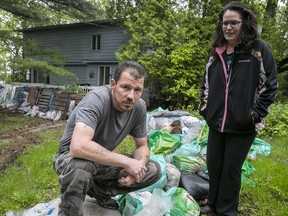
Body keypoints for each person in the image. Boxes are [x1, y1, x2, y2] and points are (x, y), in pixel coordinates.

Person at [199, 2, 278, 216]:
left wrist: (255, 115)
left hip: (243, 124)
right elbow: (206, 83)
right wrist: (205, 109)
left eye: (234, 22)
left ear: (245, 24)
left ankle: (226, 210)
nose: (229, 27)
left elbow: (269, 85)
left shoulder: (258, 51)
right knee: (214, 166)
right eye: (225, 23)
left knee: (231, 169)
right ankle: (213, 205)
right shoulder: (217, 53)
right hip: (216, 121)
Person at [53, 61, 162, 216]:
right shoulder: (96, 100)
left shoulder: (139, 107)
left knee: (153, 170)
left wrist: (138, 166)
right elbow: (78, 147)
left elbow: (142, 146)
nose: (131, 96)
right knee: (82, 167)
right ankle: (68, 212)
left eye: (137, 90)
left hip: (100, 160)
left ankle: (99, 191)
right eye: (125, 87)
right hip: (69, 157)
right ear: (113, 84)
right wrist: (126, 162)